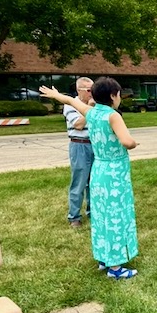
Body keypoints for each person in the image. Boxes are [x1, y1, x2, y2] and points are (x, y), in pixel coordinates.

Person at [40, 77, 139, 279]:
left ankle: (104, 258)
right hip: (115, 173)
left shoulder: (91, 112)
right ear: (113, 96)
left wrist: (56, 95)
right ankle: (116, 267)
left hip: (99, 170)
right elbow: (127, 141)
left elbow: (71, 101)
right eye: (118, 94)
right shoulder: (113, 115)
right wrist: (134, 143)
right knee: (115, 216)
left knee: (102, 214)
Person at [64, 77, 94, 228]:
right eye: (89, 90)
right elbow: (78, 125)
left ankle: (92, 213)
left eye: (93, 90)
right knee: (79, 182)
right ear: (79, 90)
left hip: (94, 145)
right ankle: (74, 217)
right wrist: (89, 108)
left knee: (94, 182)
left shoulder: (95, 105)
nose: (91, 93)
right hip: (79, 145)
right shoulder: (70, 105)